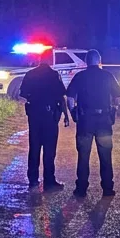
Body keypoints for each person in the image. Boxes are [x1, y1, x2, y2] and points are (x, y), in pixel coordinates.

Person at [67, 49, 120, 198]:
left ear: (86, 61)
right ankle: (107, 188)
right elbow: (119, 96)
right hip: (104, 122)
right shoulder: (107, 76)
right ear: (99, 61)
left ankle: (81, 189)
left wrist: (74, 113)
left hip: (85, 122)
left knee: (83, 156)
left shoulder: (80, 76)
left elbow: (70, 98)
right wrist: (114, 108)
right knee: (105, 156)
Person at [19, 51, 71, 190]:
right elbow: (61, 96)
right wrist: (66, 115)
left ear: (40, 59)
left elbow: (22, 95)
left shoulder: (30, 74)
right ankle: (49, 181)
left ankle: (33, 180)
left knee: (34, 148)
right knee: (49, 150)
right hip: (50, 117)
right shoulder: (54, 75)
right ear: (51, 60)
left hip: (34, 116)